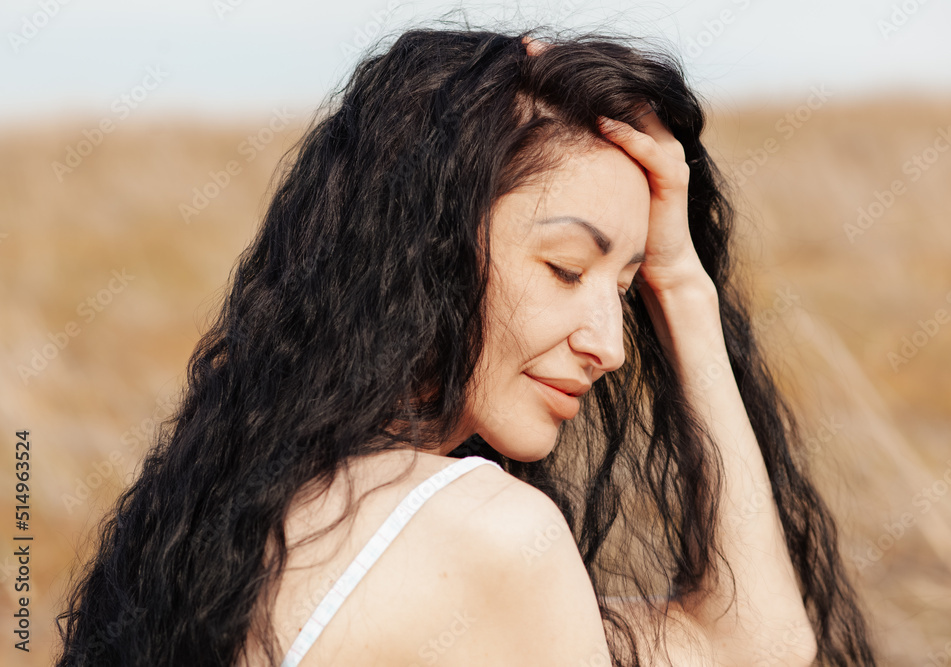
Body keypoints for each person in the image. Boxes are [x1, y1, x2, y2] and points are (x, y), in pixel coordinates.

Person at [56, 26, 878, 666]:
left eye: (625, 291)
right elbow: (765, 650)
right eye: (564, 268)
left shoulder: (240, 513)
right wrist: (683, 290)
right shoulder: (484, 530)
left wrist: (682, 282)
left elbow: (755, 645)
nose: (612, 346)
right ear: (429, 246)